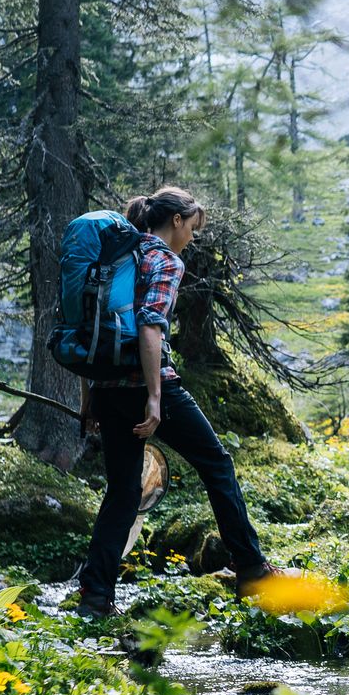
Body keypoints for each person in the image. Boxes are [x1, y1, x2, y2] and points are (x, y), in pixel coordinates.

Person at [75, 186, 275, 617]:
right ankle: (252, 569)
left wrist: (89, 398)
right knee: (217, 464)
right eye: (193, 229)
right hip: (145, 385)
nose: (192, 238)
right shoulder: (164, 259)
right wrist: (154, 398)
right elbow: (149, 329)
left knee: (124, 492)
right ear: (177, 221)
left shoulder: (119, 256)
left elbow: (89, 331)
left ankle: (94, 596)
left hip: (107, 390)